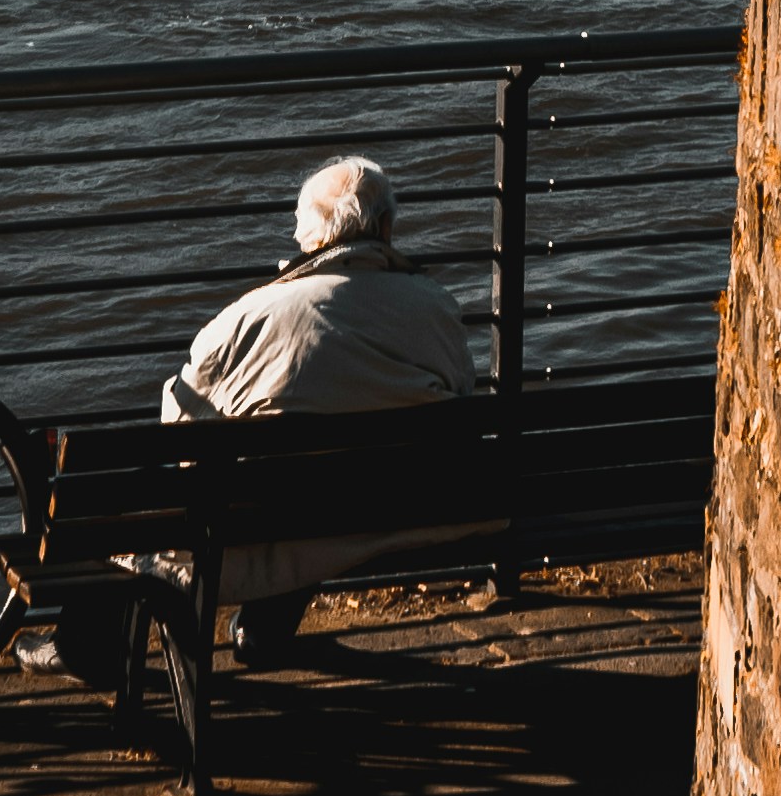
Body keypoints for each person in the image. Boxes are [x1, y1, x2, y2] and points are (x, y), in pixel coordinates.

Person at [35, 151, 478, 684]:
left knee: (171, 487)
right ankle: (264, 632)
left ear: (310, 239)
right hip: (403, 510)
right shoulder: (436, 305)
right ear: (385, 226)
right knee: (325, 470)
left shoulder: (249, 316)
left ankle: (82, 646)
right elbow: (461, 398)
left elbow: (178, 433)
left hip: (275, 519)